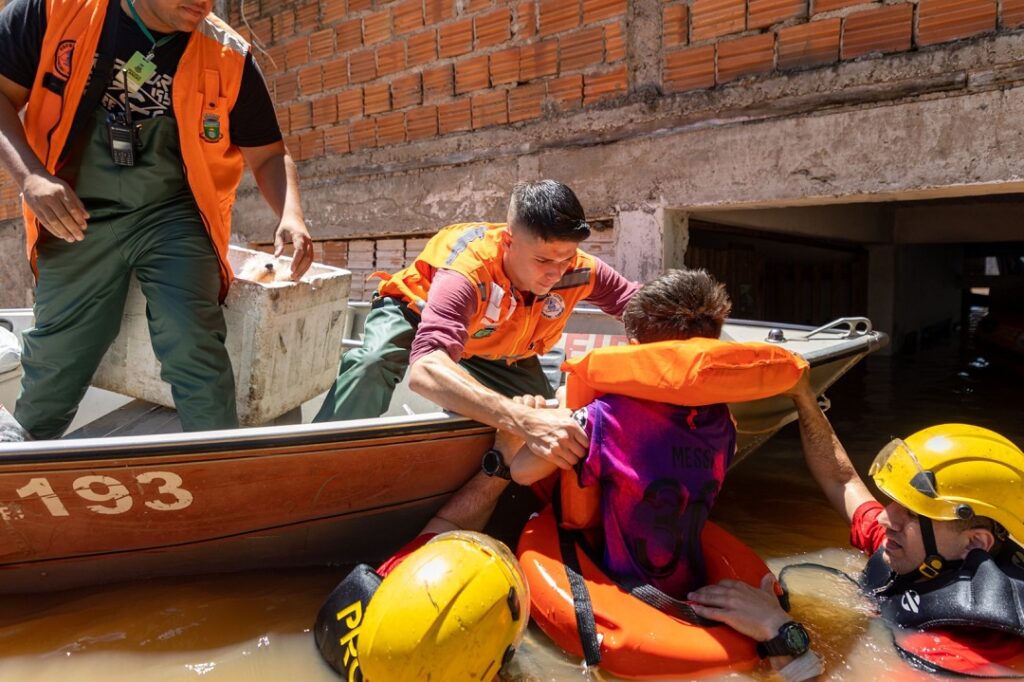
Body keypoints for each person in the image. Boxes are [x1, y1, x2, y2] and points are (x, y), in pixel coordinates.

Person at [0, 0, 313, 439]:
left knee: (192, 339)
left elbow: (268, 154)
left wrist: (291, 215)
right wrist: (31, 176)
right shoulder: (55, 10)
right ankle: (24, 463)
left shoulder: (228, 54)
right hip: (75, 213)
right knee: (59, 354)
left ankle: (216, 462)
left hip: (172, 214)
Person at [315, 179, 639, 533]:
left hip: (499, 347)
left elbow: (644, 309)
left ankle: (506, 514)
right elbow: (426, 368)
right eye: (543, 259)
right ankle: (318, 470)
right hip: (418, 314)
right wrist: (522, 420)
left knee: (546, 433)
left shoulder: (582, 269)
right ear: (508, 242)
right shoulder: (468, 271)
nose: (555, 273)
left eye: (565, 259)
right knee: (371, 364)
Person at [688, 371, 1024, 677]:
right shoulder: (919, 550)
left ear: (975, 543)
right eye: (893, 503)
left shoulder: (970, 648)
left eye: (912, 513)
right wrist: (803, 397)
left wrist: (779, 630)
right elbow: (842, 480)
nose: (885, 518)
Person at [510, 269, 739, 596]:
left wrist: (564, 408)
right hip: (694, 589)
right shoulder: (723, 423)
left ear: (634, 349)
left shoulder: (608, 418)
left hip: (635, 595)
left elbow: (521, 471)